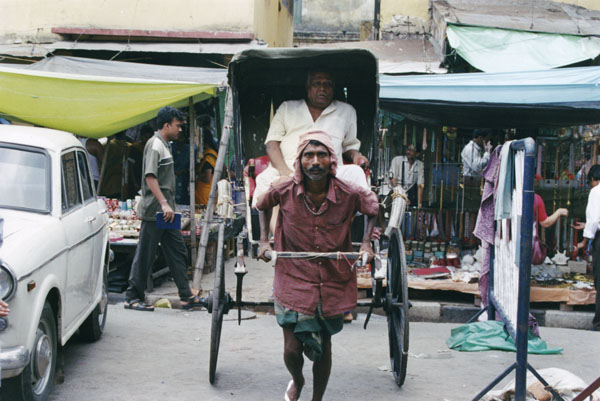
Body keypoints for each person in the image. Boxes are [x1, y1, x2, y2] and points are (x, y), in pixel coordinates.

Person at [256, 131, 379, 401]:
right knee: (291, 349)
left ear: (331, 161)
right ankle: (297, 379)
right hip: (292, 276)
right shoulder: (285, 189)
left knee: (323, 347)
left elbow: (372, 208)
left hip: (331, 278)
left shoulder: (348, 193)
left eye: (321, 155)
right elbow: (262, 204)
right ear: (299, 161)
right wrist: (264, 241)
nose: (314, 162)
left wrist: (366, 244)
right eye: (308, 155)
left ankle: (317, 399)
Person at [252, 68, 370, 208]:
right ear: (308, 88)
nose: (322, 88)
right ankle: (274, 230)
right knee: (266, 181)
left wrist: (356, 156)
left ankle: (354, 226)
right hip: (289, 167)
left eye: (327, 84)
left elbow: (349, 146)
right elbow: (272, 144)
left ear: (333, 89)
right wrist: (285, 173)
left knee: (356, 174)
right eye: (316, 84)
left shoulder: (347, 111)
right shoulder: (287, 107)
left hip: (331, 170)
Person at [124, 107, 203, 311]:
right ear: (166, 125)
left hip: (167, 212)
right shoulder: (155, 145)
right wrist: (164, 203)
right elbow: (150, 177)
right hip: (156, 211)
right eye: (177, 126)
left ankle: (186, 295)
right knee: (146, 254)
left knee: (177, 250)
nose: (180, 130)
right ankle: (133, 297)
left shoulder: (164, 145)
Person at [572, 164, 600, 331]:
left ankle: (598, 323)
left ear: (592, 180)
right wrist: (587, 227)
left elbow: (595, 220)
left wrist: (584, 242)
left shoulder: (596, 191)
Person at [390, 143, 424, 207]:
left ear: (417, 154)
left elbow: (420, 185)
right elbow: (393, 180)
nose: (408, 152)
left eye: (411, 150)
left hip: (405, 195)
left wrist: (420, 204)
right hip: (392, 192)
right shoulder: (397, 160)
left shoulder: (420, 165)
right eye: (408, 149)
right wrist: (402, 196)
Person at [195, 126, 219, 206]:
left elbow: (207, 177)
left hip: (205, 195)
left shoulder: (208, 157)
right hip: (208, 193)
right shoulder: (214, 154)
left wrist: (196, 177)